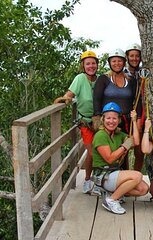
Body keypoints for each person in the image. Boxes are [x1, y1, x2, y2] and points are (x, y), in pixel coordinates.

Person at [54, 50, 99, 195]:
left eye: (93, 63)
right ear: (83, 66)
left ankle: (99, 180)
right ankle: (87, 179)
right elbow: (70, 94)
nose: (91, 66)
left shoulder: (100, 80)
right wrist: (65, 99)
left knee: (102, 151)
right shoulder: (80, 79)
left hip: (100, 121)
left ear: (97, 65)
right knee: (91, 153)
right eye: (88, 64)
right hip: (85, 122)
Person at [92, 102, 149, 214]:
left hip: (114, 173)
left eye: (114, 118)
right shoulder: (100, 135)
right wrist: (124, 147)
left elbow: (136, 141)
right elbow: (109, 159)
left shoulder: (118, 134)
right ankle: (111, 200)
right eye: (108, 118)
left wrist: (134, 121)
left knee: (143, 189)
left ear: (119, 120)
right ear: (103, 119)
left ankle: (112, 193)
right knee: (137, 175)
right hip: (103, 174)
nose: (111, 121)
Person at [93, 48, 142, 170]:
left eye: (120, 61)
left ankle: (124, 174)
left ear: (124, 62)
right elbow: (97, 98)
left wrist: (139, 118)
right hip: (109, 120)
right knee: (110, 147)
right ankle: (105, 175)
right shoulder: (103, 79)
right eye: (114, 61)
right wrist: (97, 117)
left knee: (125, 149)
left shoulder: (131, 80)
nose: (117, 64)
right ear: (109, 63)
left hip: (126, 120)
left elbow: (138, 100)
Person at [124, 43, 145, 172]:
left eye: (137, 56)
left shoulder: (143, 73)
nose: (134, 58)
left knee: (139, 150)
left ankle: (136, 175)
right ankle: (125, 175)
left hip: (141, 113)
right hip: (125, 114)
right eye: (131, 56)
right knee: (125, 148)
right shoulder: (121, 73)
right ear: (127, 57)